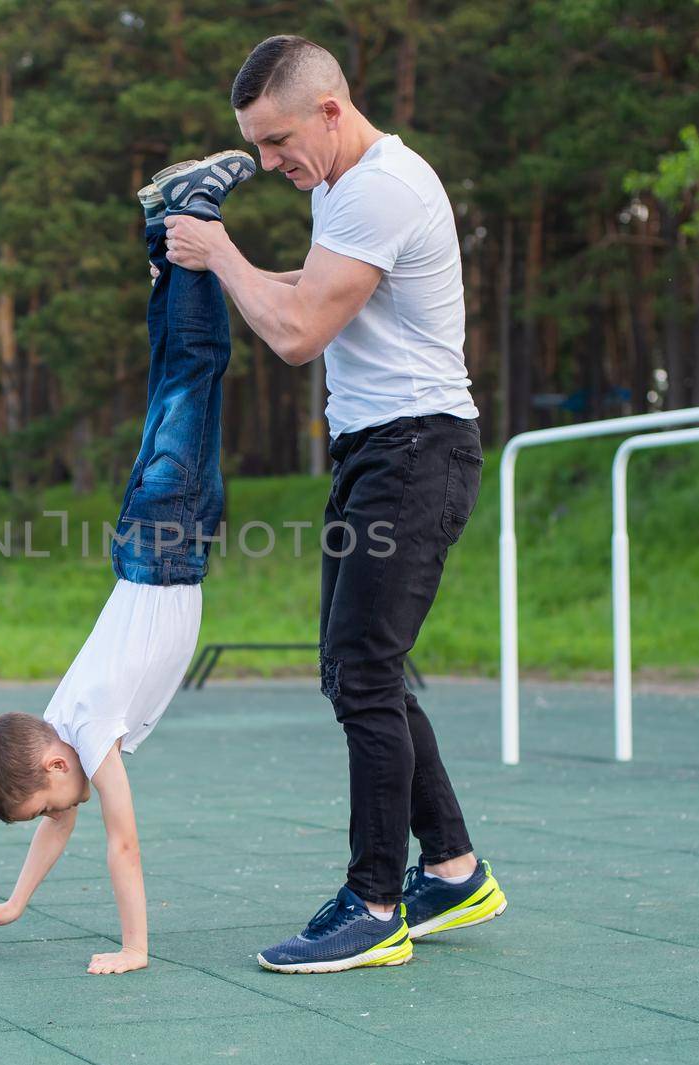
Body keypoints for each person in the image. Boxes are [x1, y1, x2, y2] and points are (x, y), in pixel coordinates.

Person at [161, 34, 507, 974]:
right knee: (365, 670)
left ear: (329, 109)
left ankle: (376, 903)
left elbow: (300, 332)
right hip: (378, 454)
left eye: (276, 143)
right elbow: (309, 293)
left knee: (361, 673)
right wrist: (209, 268)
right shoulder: (341, 192)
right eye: (257, 148)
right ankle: (453, 870)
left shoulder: (381, 188)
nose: (271, 165)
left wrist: (219, 249)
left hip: (416, 451)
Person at [0, 149, 257, 976]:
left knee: (194, 372)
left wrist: (134, 948)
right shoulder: (61, 723)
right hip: (145, 543)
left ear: (53, 761)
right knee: (172, 381)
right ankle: (164, 229)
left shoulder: (86, 735)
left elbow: (121, 839)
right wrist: (14, 904)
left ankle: (195, 213)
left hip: (167, 543)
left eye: (54, 794)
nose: (63, 807)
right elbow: (60, 821)